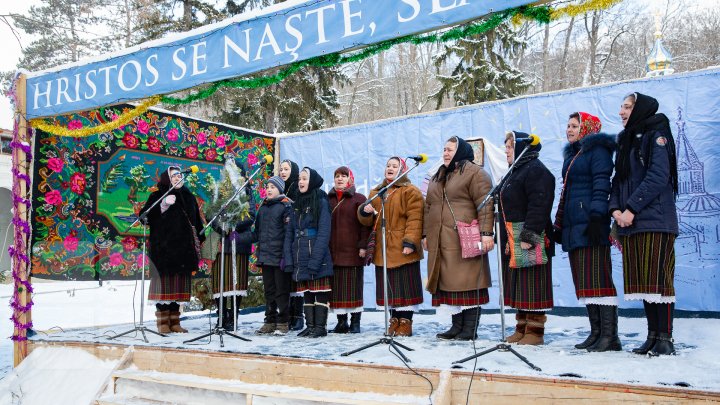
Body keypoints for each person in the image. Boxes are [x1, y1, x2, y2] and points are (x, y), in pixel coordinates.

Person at [610, 93, 679, 356]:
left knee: (659, 280)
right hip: (631, 221)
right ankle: (652, 336)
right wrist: (615, 208)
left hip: (655, 220)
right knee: (644, 282)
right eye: (622, 106)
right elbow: (618, 179)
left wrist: (631, 207)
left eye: (627, 107)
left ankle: (665, 337)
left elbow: (658, 176)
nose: (622, 112)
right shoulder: (627, 139)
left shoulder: (656, 134)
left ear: (641, 109)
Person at [554, 112, 621, 352]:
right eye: (568, 125)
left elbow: (602, 184)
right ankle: (596, 333)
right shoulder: (573, 156)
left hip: (591, 225)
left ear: (587, 128)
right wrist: (559, 224)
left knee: (599, 279)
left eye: (575, 126)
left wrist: (596, 217)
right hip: (575, 226)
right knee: (584, 281)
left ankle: (610, 336)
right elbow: (567, 194)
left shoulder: (598, 151)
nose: (569, 130)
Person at [423, 136, 495, 341]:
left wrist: (486, 233)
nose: (445, 153)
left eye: (450, 150)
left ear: (461, 151)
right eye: (444, 149)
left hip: (465, 239)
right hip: (441, 240)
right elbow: (428, 207)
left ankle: (469, 329)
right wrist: (426, 234)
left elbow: (485, 204)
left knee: (468, 282)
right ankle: (456, 326)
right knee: (449, 284)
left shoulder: (475, 173)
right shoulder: (438, 175)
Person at [499, 132, 555, 345]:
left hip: (531, 236)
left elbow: (540, 203)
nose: (506, 152)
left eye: (510, 148)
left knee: (532, 283)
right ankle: (521, 327)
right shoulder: (515, 172)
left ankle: (535, 331)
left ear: (523, 147)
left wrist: (529, 235)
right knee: (520, 284)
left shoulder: (536, 170)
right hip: (514, 236)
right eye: (505, 148)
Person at [358, 157, 424, 337]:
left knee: (405, 288)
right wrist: (365, 211)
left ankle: (405, 322)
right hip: (383, 249)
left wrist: (410, 242)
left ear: (402, 170)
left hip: (403, 247)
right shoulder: (377, 192)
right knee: (390, 289)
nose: (390, 168)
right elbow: (366, 219)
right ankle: (394, 320)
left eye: (395, 166)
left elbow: (415, 218)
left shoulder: (410, 191)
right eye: (388, 165)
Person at [140, 166, 205, 334]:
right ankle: (162, 322)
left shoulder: (189, 197)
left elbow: (197, 222)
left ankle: (175, 321)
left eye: (179, 175)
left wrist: (200, 236)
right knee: (164, 288)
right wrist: (162, 205)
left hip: (183, 252)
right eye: (174, 176)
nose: (177, 178)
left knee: (178, 288)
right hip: (164, 252)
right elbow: (144, 217)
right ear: (167, 179)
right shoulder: (157, 196)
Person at [290, 167, 333, 338]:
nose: (300, 182)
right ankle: (310, 325)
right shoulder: (298, 203)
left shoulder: (321, 201)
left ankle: (320, 327)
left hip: (316, 251)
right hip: (300, 251)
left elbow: (324, 232)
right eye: (299, 178)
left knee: (318, 291)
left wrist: (316, 259)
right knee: (307, 291)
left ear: (312, 181)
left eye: (304, 178)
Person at [328, 166, 371, 333]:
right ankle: (341, 322)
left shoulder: (359, 198)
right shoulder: (328, 199)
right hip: (333, 252)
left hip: (353, 251)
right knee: (337, 290)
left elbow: (365, 226)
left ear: (350, 179)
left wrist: (362, 246)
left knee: (353, 288)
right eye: (337, 176)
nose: (340, 179)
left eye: (343, 176)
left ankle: (355, 323)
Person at [210, 183, 255, 331]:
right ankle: (221, 316)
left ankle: (234, 315)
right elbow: (211, 213)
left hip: (239, 241)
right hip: (221, 241)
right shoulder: (219, 189)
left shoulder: (247, 192)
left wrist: (233, 225)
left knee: (237, 281)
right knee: (220, 281)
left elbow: (251, 214)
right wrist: (222, 227)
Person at [252, 175, 294, 335]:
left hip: (280, 258)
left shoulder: (285, 207)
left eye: (273, 187)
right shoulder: (262, 208)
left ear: (280, 190)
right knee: (269, 291)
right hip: (265, 257)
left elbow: (288, 234)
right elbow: (256, 234)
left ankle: (283, 322)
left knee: (281, 291)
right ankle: (270, 321)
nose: (269, 190)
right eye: (268, 187)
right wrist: (237, 237)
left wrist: (286, 256)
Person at [279, 159, 304, 331]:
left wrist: (289, 202)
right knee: (285, 279)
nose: (282, 172)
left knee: (296, 277)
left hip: (295, 237)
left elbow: (301, 208)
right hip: (281, 238)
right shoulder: (278, 187)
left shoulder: (297, 187)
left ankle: (298, 316)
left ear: (293, 171)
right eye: (281, 169)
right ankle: (287, 315)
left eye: (286, 169)